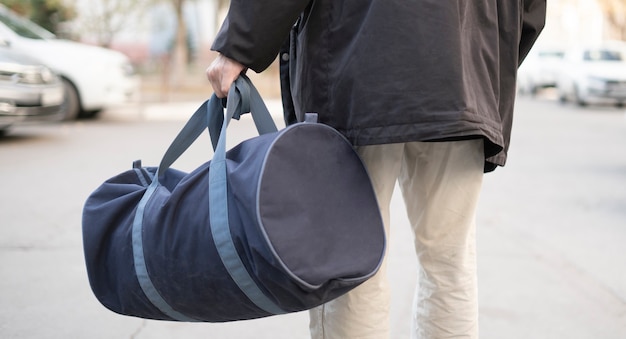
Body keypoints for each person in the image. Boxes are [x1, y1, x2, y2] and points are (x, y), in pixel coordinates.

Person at [206, 1, 546, 338]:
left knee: (347, 263)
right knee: (449, 261)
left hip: (354, 69)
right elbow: (530, 11)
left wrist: (238, 46)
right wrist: (484, 59)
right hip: (463, 76)